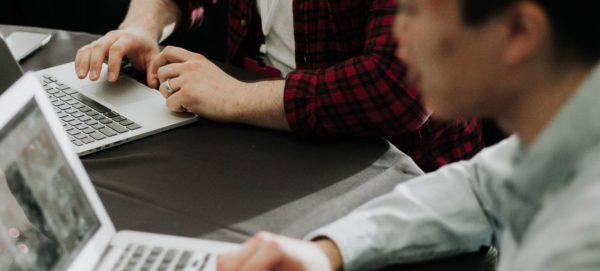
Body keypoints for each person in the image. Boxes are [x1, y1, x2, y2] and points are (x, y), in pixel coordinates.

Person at [110, 0, 600, 271]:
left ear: (519, 33)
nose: (397, 38)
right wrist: (326, 251)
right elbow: (479, 187)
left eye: (414, 11)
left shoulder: (576, 261)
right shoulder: (562, 133)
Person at [73, 0, 484, 172]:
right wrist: (141, 28)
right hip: (267, 139)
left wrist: (234, 96)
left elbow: (399, 87)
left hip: (404, 176)